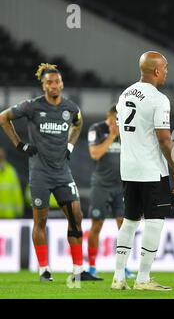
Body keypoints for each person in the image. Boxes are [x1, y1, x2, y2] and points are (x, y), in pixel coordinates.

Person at [0, 63, 98, 282]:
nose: (53, 85)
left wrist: (70, 145)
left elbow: (78, 124)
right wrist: (19, 145)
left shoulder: (71, 108)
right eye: (49, 83)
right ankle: (44, 268)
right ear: (43, 86)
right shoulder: (32, 107)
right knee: (40, 222)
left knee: (77, 217)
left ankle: (77, 270)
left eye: (57, 81)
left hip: (63, 173)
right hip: (40, 174)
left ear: (62, 83)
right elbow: (3, 117)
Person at [111, 51, 174, 291]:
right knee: (154, 222)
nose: (166, 72)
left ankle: (118, 277)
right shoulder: (159, 99)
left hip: (128, 169)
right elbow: (164, 139)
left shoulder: (125, 94)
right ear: (156, 71)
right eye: (165, 68)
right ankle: (143, 278)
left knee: (129, 222)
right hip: (152, 171)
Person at [87, 106, 134, 280]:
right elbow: (95, 154)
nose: (118, 121)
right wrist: (112, 136)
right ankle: (92, 266)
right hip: (101, 185)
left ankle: (123, 267)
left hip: (121, 186)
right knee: (96, 225)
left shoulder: (126, 132)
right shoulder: (97, 129)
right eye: (116, 117)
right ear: (109, 115)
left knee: (124, 226)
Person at [0, 147, 24, 218]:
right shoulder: (11, 171)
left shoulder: (11, 171)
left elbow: (17, 192)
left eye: (1, 156)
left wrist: (19, 211)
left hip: (9, 216)